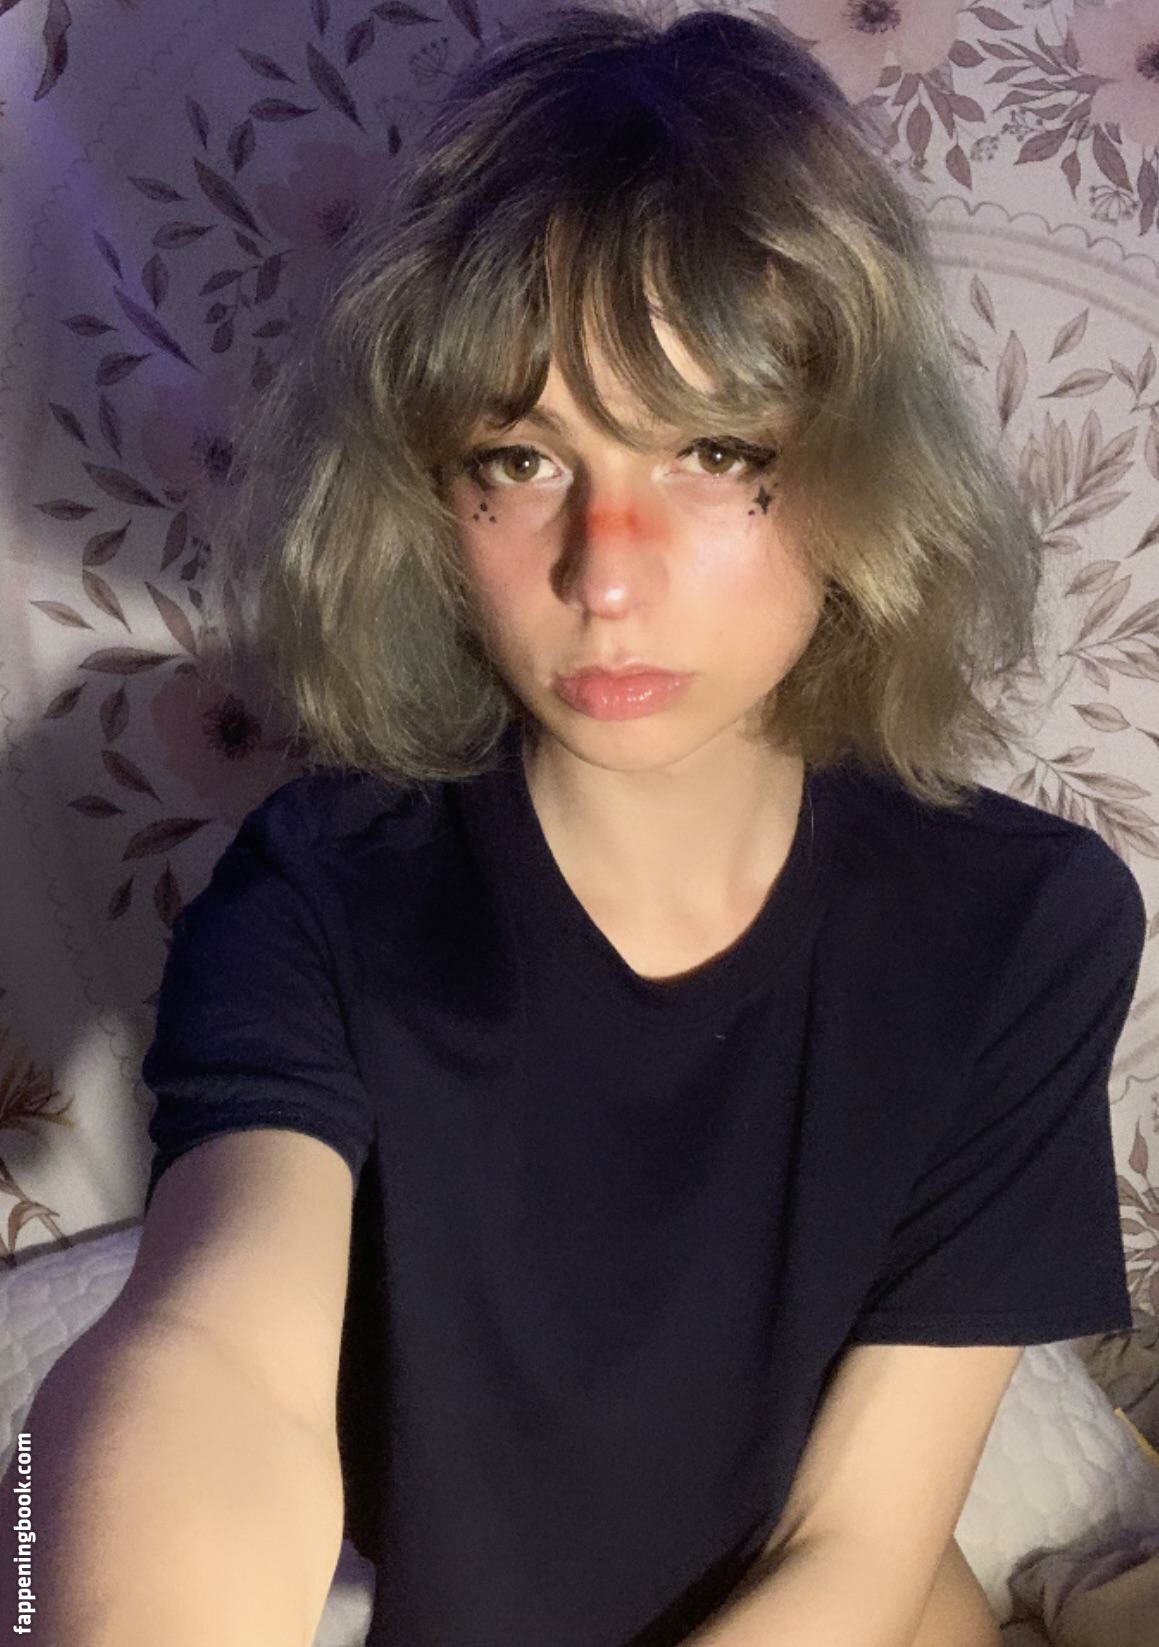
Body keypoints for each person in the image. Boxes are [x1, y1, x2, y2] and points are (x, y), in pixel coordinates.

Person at [4, 4, 1145, 1646]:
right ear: (424, 491)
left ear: (863, 471)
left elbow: (857, 1542)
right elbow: (215, 1353)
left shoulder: (1021, 926)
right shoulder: (323, 893)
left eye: (716, 452)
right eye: (524, 457)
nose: (607, 572)